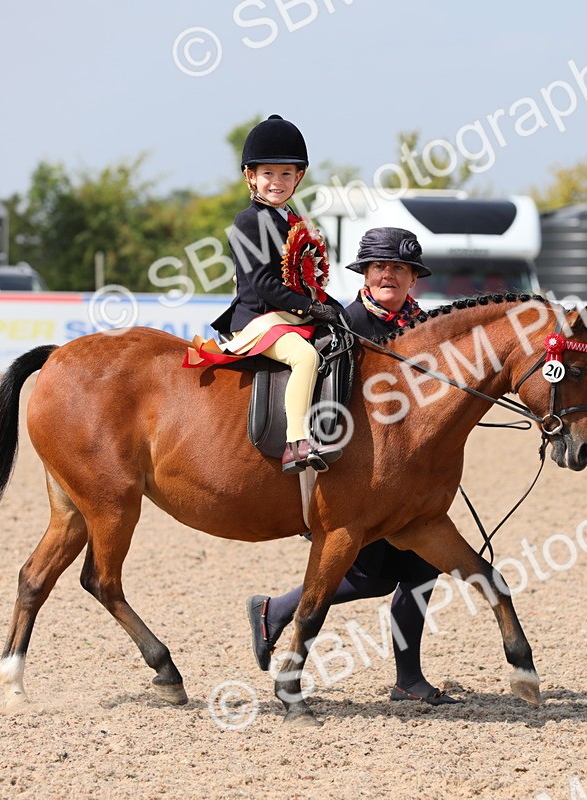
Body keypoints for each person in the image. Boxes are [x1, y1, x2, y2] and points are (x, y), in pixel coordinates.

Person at [247, 227, 461, 706]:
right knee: (373, 576)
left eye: (399, 269)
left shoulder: (424, 331)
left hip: (400, 479)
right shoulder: (342, 327)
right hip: (348, 476)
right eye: (380, 267)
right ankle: (276, 610)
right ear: (365, 273)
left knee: (422, 569)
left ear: (413, 280)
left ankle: (409, 679)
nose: (389, 275)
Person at [183, 115, 346, 473]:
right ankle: (296, 442)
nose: (277, 181)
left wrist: (333, 308)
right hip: (259, 319)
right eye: (268, 173)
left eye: (286, 173)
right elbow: (262, 284)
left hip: (291, 315)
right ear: (250, 177)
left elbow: (305, 281)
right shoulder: (248, 221)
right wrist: (310, 308)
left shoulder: (294, 221)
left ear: (298, 177)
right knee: (305, 358)